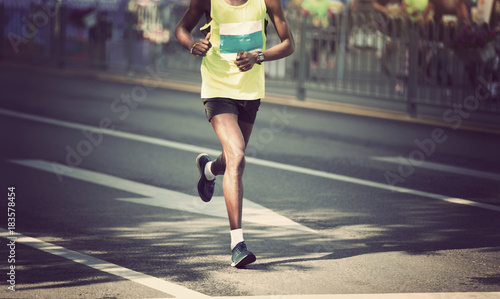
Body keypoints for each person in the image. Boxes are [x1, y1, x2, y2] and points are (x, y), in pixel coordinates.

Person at [175, 0, 294, 268]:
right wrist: (192, 45)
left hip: (250, 92)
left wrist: (258, 56)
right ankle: (237, 245)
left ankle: (207, 170)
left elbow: (289, 43)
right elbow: (182, 28)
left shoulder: (267, 2)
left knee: (231, 159)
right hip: (217, 87)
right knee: (238, 156)